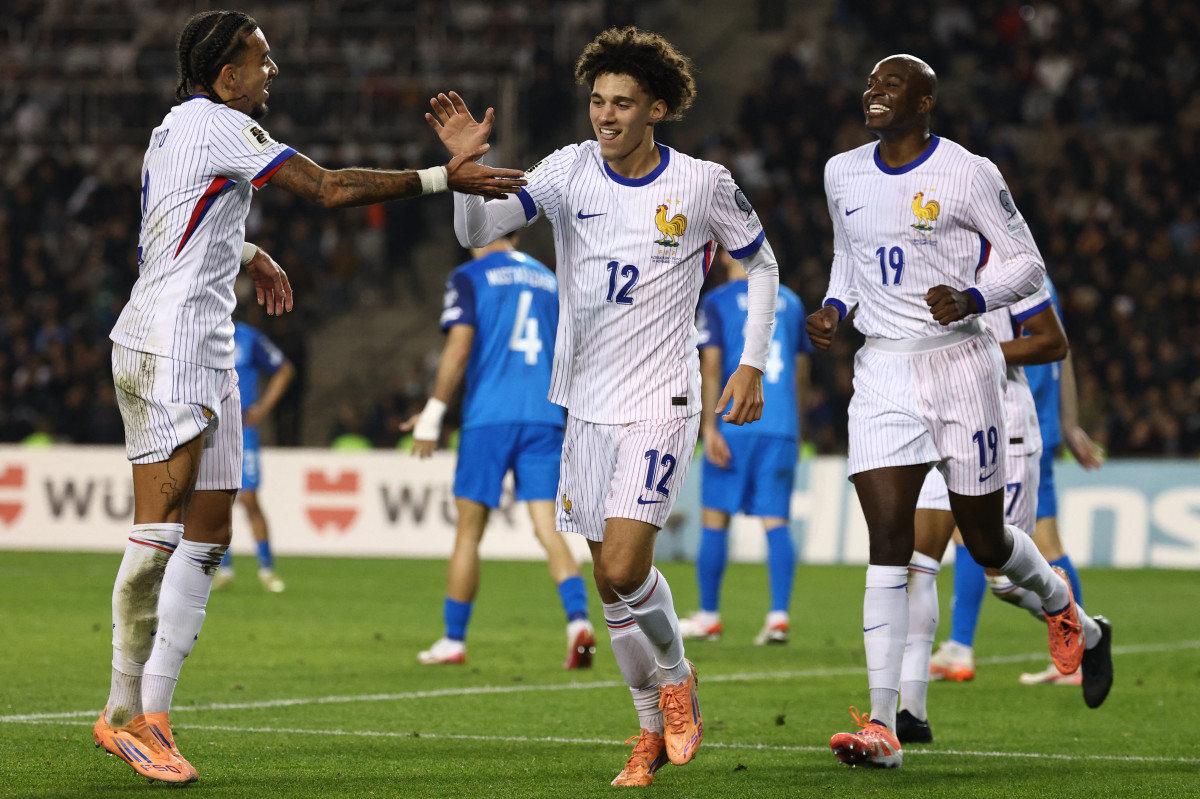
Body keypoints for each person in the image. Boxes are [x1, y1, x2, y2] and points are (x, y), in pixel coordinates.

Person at [93, 10, 524, 785]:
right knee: (157, 531)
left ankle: (153, 711)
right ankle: (122, 714)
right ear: (226, 76)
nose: (273, 70)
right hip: (167, 346)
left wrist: (250, 251)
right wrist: (440, 177)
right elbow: (325, 188)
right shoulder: (217, 124)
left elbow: (168, 229)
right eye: (261, 59)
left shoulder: (178, 129)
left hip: (208, 343)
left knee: (210, 529)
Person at [425, 26, 779, 786]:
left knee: (625, 563)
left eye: (622, 103)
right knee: (608, 584)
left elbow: (762, 264)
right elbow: (480, 231)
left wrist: (750, 361)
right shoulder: (567, 171)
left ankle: (678, 678)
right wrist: (464, 175)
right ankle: (646, 732)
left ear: (656, 108)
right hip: (582, 405)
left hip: (664, 397)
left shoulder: (703, 183)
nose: (606, 115)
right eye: (596, 101)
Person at [807, 54, 1111, 770]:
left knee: (988, 544)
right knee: (891, 543)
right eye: (870, 82)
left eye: (889, 85)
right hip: (880, 368)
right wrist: (833, 306)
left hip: (960, 367)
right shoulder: (840, 172)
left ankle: (1072, 616)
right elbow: (846, 257)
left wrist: (976, 299)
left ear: (926, 100)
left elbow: (1027, 262)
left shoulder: (969, 172)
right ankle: (884, 721)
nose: (872, 93)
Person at [895, 278, 1113, 747]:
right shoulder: (920, 246)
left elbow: (1055, 343)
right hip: (936, 421)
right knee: (919, 561)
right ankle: (910, 711)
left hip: (1003, 429)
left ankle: (1088, 630)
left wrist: (973, 349)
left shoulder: (1010, 260)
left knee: (1004, 578)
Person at [403, 233, 596, 669]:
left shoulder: (469, 276)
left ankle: (454, 640)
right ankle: (577, 622)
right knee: (549, 530)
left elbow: (459, 347)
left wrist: (433, 412)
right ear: (516, 233)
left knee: (469, 533)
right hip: (544, 417)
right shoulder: (551, 279)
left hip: (489, 418)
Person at [680, 247, 812, 645]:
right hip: (781, 424)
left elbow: (712, 364)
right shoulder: (789, 300)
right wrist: (797, 426)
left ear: (725, 256)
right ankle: (778, 616)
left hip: (734, 420)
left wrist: (709, 426)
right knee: (776, 521)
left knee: (715, 517)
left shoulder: (717, 300)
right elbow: (801, 371)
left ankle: (709, 616)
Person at [213, 316, 296, 593]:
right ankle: (223, 569)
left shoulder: (249, 337)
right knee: (216, 501)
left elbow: (284, 369)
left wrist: (263, 408)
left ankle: (267, 568)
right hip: (210, 428)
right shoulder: (199, 334)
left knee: (248, 499)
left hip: (242, 429)